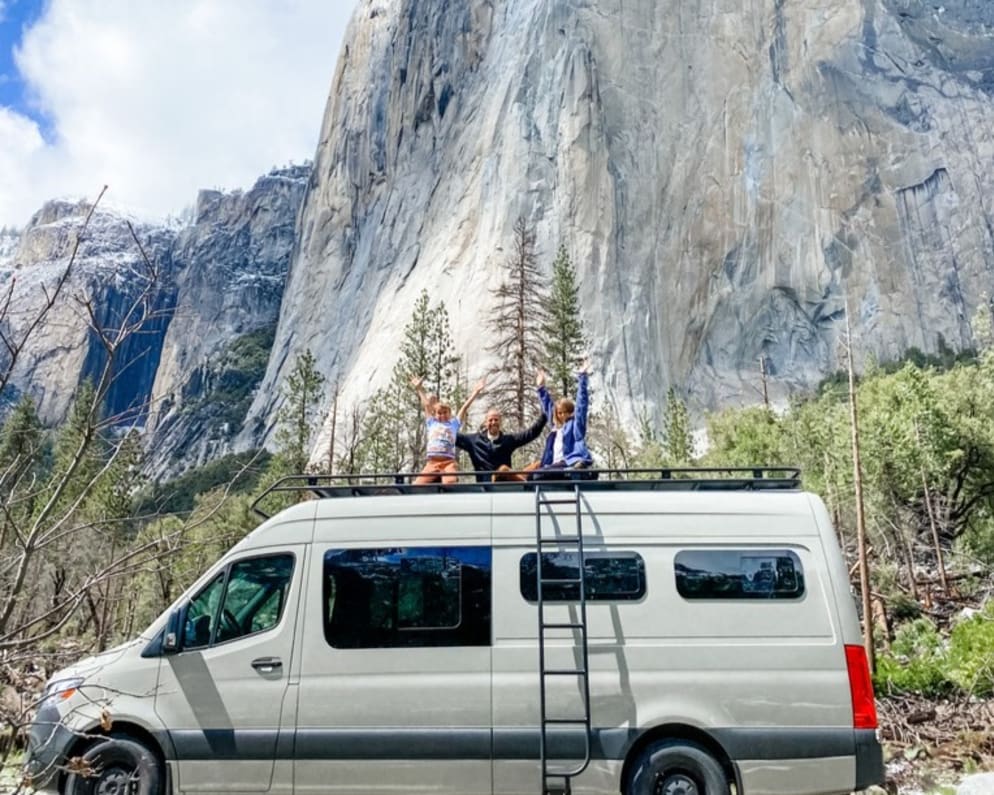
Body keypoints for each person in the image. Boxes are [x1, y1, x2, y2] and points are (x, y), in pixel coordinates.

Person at [410, 375, 486, 484]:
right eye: (439, 413)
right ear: (435, 415)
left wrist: (476, 392)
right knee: (418, 485)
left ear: (450, 414)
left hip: (448, 462)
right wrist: (419, 389)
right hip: (432, 462)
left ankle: (451, 480)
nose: (442, 415)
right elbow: (426, 405)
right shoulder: (432, 423)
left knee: (450, 482)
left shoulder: (453, 424)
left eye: (445, 413)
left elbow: (464, 407)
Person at [456, 398, 547, 482]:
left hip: (505, 481)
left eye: (496, 420)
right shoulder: (475, 441)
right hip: (486, 483)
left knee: (539, 464)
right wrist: (443, 426)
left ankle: (523, 483)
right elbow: (453, 437)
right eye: (490, 420)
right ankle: (523, 483)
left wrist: (545, 415)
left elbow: (531, 433)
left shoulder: (508, 440)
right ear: (485, 423)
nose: (493, 422)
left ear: (500, 421)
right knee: (504, 469)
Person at [531, 361, 594, 479]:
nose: (560, 415)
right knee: (532, 476)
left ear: (570, 412)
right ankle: (570, 472)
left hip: (569, 460)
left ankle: (575, 470)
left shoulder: (576, 425)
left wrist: (582, 377)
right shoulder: (556, 428)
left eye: (563, 412)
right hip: (556, 465)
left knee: (538, 475)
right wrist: (540, 388)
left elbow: (581, 405)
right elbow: (548, 406)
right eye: (558, 413)